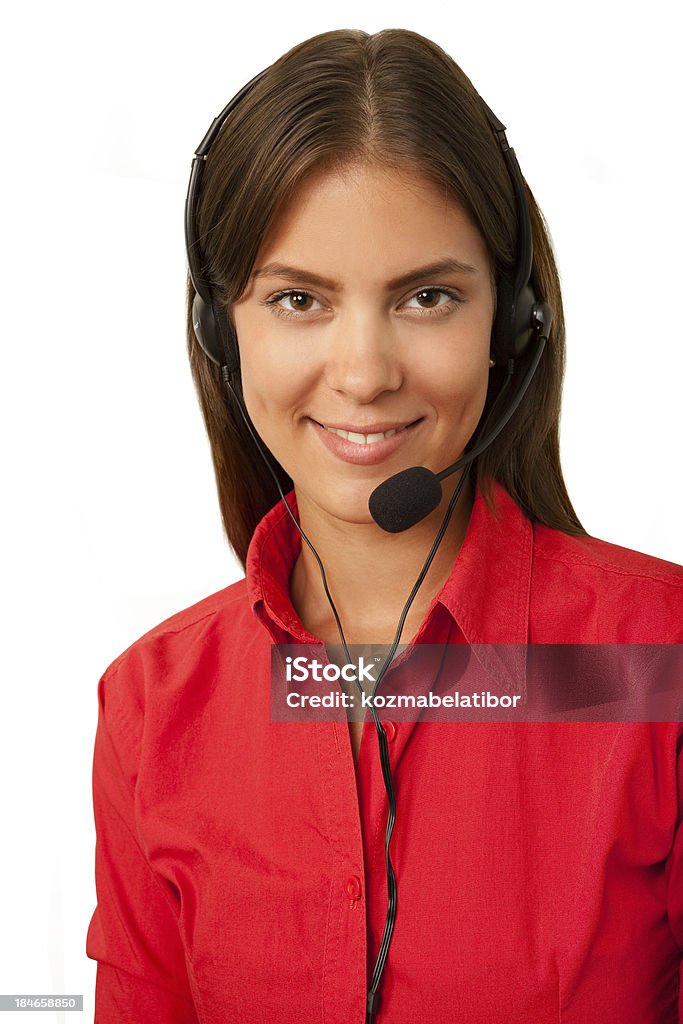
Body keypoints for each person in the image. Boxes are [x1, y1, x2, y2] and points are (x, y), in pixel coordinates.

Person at [85, 27, 683, 1024]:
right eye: (296, 299)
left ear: (508, 322)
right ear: (220, 332)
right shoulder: (156, 707)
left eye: (426, 296)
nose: (363, 373)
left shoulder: (651, 664)